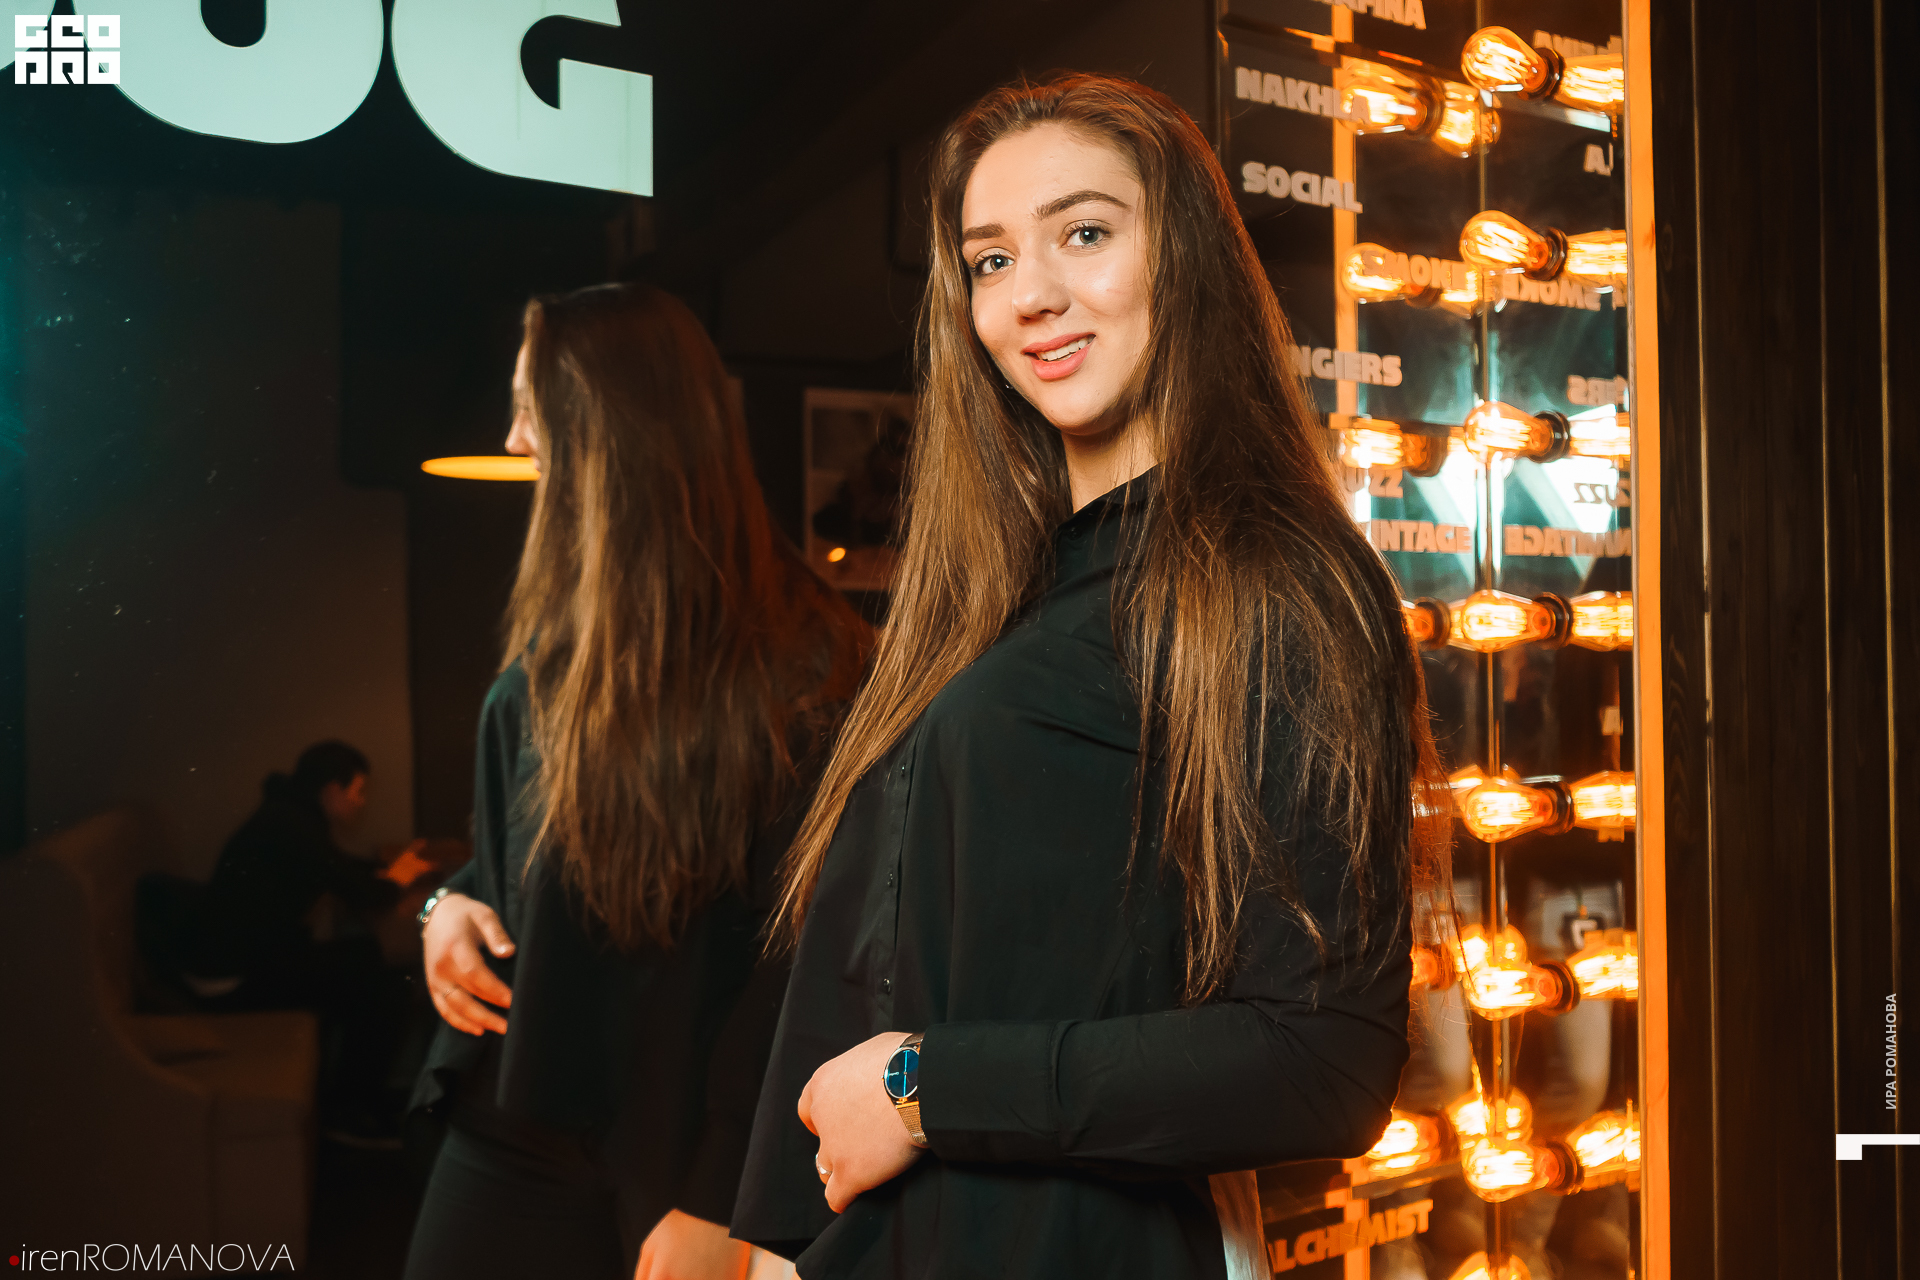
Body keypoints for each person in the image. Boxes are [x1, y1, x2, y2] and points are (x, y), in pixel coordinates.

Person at [731, 73, 1450, 1280]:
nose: (1032, 294)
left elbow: (1321, 1058)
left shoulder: (1272, 583)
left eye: (1083, 233)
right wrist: (776, 1243)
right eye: (991, 259)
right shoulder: (990, 595)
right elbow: (870, 964)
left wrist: (926, 1085)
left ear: (1184, 257)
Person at [404, 283, 868, 1280]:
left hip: (675, 1148)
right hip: (514, 1112)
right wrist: (449, 907)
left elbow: (804, 956)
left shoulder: (811, 667)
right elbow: (510, 869)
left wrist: (721, 1195)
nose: (514, 441)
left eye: (529, 409)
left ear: (606, 429)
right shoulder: (554, 647)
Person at [187, 740, 429, 1141]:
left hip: (242, 962)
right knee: (384, 977)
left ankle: (355, 1099)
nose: (361, 802)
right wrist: (397, 878)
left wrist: (386, 870)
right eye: (358, 791)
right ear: (332, 790)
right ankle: (350, 1110)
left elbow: (335, 865)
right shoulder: (292, 826)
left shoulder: (288, 816)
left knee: (368, 962)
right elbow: (362, 893)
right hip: (234, 981)